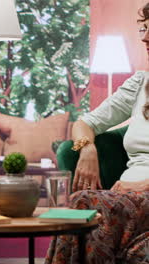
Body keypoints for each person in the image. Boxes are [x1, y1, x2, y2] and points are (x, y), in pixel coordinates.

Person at [46, 2, 149, 263]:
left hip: (138, 194)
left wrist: (143, 185)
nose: (145, 37)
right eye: (144, 29)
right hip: (126, 196)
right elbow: (85, 123)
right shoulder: (141, 83)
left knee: (83, 202)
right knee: (81, 210)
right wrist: (87, 148)